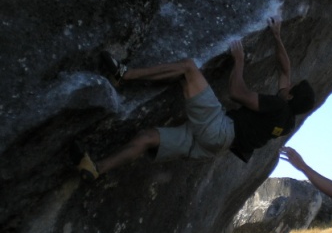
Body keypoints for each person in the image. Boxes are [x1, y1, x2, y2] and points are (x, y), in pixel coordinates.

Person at [72, 20, 315, 180]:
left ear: (290, 95)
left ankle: (123, 75)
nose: (288, 84)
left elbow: (237, 93)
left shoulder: (278, 105)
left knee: (188, 68)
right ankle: (95, 169)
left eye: (291, 87)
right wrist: (277, 35)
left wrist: (239, 60)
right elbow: (285, 70)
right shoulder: (287, 119)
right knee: (147, 138)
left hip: (220, 130)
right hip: (213, 147)